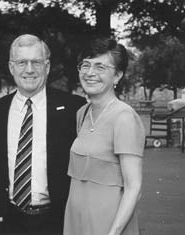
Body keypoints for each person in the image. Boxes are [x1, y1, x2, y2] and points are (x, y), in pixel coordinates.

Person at [0, 34, 85, 235]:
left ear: (47, 67)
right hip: (7, 222)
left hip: (57, 222)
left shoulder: (74, 109)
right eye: (22, 62)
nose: (29, 69)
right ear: (11, 67)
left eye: (36, 62)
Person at [64, 38, 145, 235]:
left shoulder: (124, 118)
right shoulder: (82, 113)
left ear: (117, 75)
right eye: (86, 65)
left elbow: (134, 187)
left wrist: (113, 232)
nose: (90, 73)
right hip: (76, 221)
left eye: (100, 67)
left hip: (109, 225)